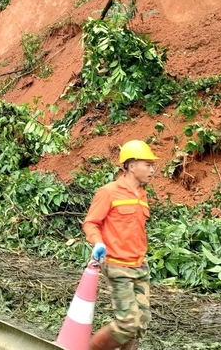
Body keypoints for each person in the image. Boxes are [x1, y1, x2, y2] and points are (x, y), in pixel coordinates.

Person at [83, 140, 159, 350]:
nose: (152, 170)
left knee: (139, 325)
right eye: (148, 164)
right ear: (131, 166)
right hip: (118, 266)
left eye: (153, 165)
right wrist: (98, 242)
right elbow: (91, 222)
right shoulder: (109, 192)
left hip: (140, 267)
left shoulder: (142, 195)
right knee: (127, 324)